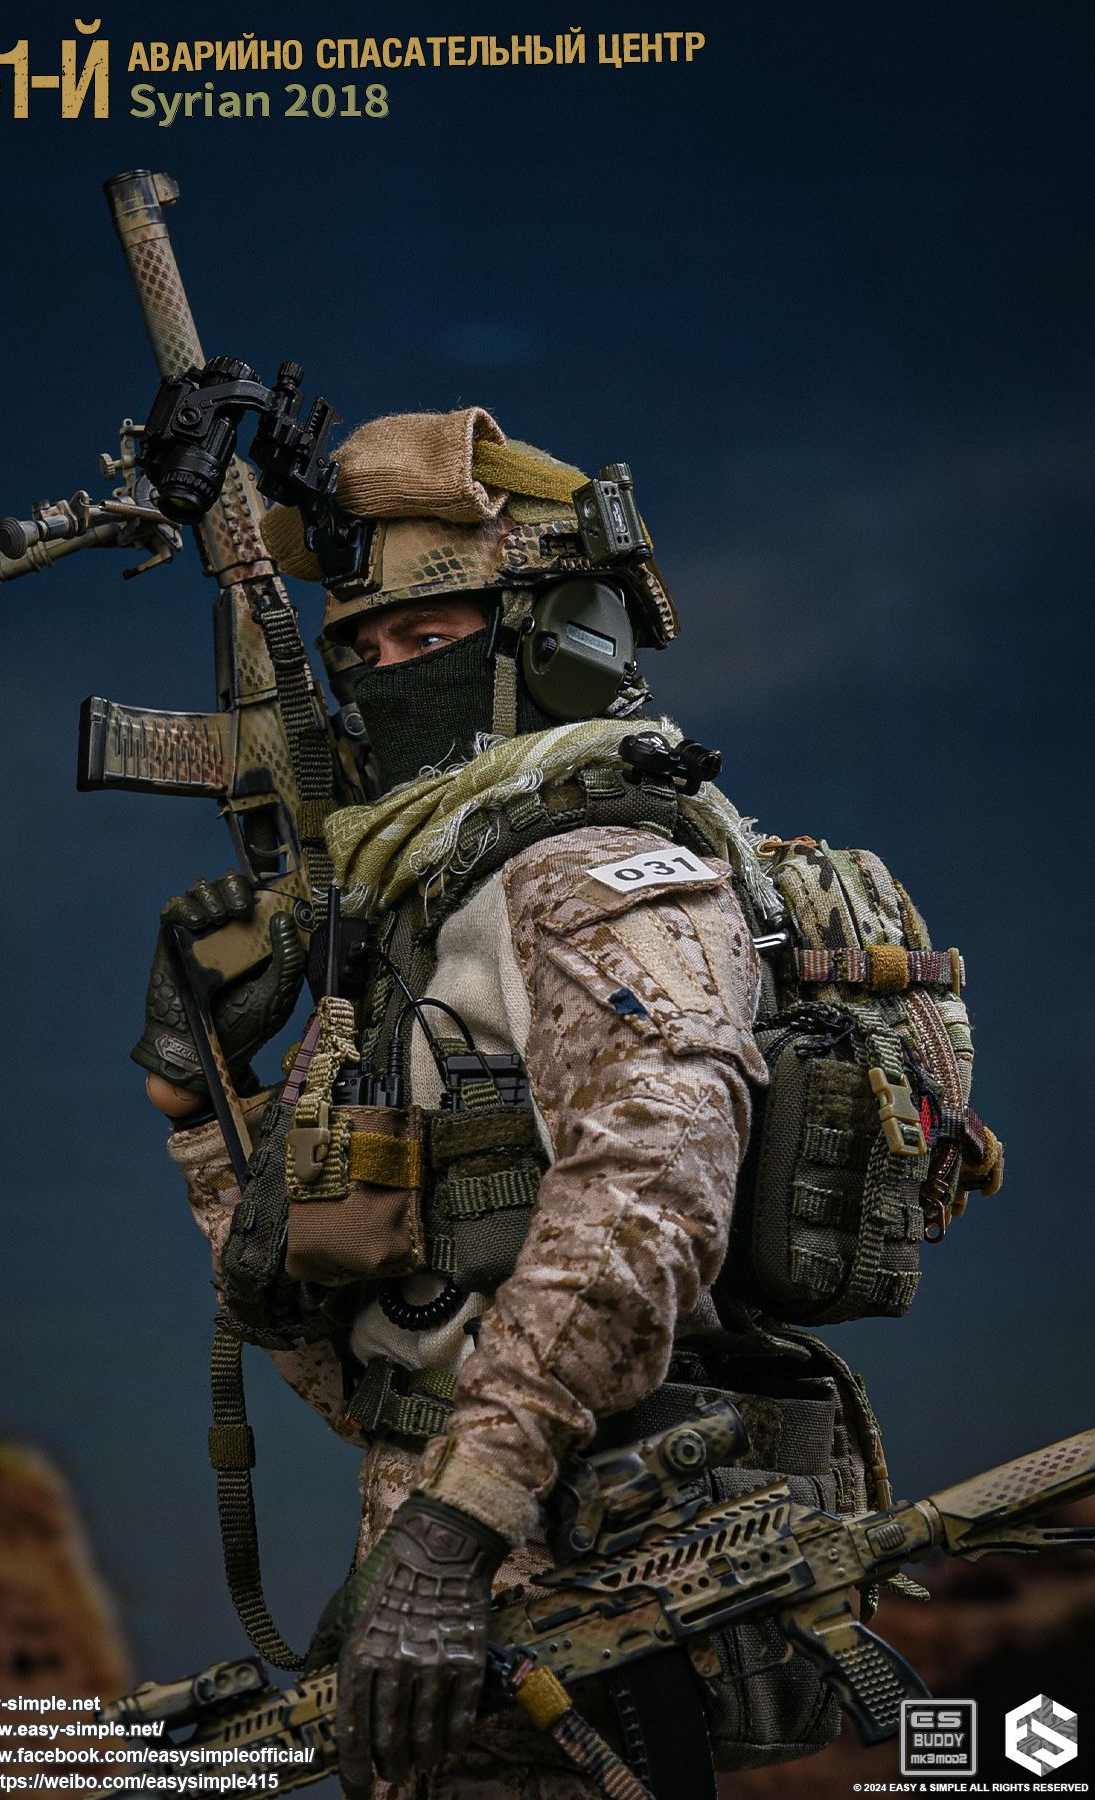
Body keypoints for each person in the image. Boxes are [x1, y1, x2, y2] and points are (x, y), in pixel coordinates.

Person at [132, 408, 937, 1797]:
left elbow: (649, 1197)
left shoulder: (583, 872)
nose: (390, 677)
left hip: (592, 1557)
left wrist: (459, 1527)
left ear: (550, 644)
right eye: (365, 651)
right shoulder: (428, 904)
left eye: (430, 637)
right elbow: (375, 1344)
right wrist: (201, 1101)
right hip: (478, 1547)